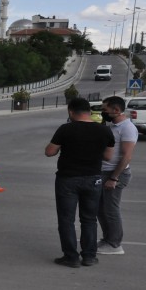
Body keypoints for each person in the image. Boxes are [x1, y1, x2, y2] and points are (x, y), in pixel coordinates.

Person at [45, 98, 114, 268]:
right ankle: (89, 256)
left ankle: (71, 257)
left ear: (70, 111)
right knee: (89, 219)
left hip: (68, 179)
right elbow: (108, 157)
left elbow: (49, 152)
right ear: (89, 112)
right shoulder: (104, 131)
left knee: (66, 220)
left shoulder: (66, 129)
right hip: (94, 179)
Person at [97, 96, 138, 255]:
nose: (103, 112)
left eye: (105, 109)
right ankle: (107, 239)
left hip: (115, 174)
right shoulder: (112, 126)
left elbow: (127, 156)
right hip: (104, 172)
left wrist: (114, 178)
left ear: (116, 110)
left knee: (110, 210)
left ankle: (115, 244)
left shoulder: (127, 128)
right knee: (100, 209)